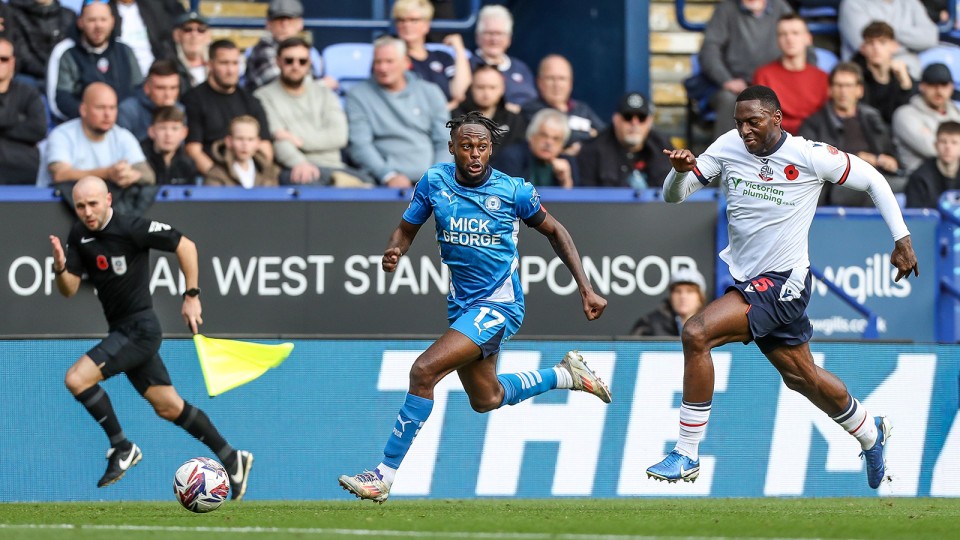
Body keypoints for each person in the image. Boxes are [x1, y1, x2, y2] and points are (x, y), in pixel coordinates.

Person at [647, 85, 919, 490]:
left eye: (753, 121)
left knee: (696, 332)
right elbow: (674, 197)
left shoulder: (810, 156)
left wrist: (902, 240)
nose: (744, 130)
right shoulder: (726, 147)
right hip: (751, 280)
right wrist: (679, 172)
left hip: (783, 282)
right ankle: (869, 433)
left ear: (777, 118)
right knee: (802, 377)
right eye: (738, 122)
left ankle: (686, 452)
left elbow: (875, 180)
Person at [337, 111, 610, 503]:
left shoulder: (515, 191)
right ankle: (565, 375)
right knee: (487, 399)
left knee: (423, 371)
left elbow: (557, 232)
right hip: (463, 306)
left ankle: (383, 475)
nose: (475, 153)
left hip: (500, 305)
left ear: (491, 149)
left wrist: (585, 288)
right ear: (452, 148)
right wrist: (396, 248)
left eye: (482, 146)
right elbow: (406, 229)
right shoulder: (434, 182)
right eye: (466, 146)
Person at [48, 176, 253, 498]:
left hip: (140, 329)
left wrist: (192, 295)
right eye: (80, 206)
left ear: (109, 200)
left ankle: (122, 447)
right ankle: (232, 458)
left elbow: (186, 245)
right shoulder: (79, 233)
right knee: (169, 407)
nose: (87, 212)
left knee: (76, 379)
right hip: (123, 331)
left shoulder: (132, 227)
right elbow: (69, 290)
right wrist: (60, 268)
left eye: (93, 204)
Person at [255, 37, 368, 186]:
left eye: (302, 61)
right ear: (278, 62)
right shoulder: (263, 96)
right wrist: (299, 162)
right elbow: (278, 142)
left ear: (309, 64)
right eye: (289, 61)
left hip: (336, 168)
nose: (296, 66)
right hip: (296, 168)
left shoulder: (325, 93)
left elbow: (339, 136)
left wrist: (297, 139)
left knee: (372, 188)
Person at [344, 35, 449, 187]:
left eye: (389, 61)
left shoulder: (430, 92)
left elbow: (445, 142)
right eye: (378, 62)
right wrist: (387, 175)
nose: (382, 68)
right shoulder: (358, 95)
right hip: (384, 183)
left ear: (406, 63)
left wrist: (436, 177)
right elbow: (360, 144)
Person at [800, 62, 903, 204]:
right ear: (830, 90)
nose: (843, 91)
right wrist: (854, 161)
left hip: (876, 176)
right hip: (838, 185)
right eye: (838, 85)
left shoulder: (871, 117)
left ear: (859, 90)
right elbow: (808, 163)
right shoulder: (814, 123)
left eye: (848, 86)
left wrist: (891, 161)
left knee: (911, 183)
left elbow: (890, 152)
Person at [47, 82, 155, 216]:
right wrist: (108, 173)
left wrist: (130, 175)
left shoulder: (123, 136)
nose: (107, 114)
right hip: (58, 213)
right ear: (83, 110)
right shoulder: (62, 134)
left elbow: (148, 175)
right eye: (100, 108)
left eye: (112, 108)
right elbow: (60, 175)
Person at [698, 0, 793, 139]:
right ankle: (725, 157)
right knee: (730, 100)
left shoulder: (781, 7)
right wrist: (726, 80)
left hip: (776, 83)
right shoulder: (725, 10)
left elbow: (803, 44)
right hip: (736, 86)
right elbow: (709, 52)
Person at [182, 39, 273, 177]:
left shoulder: (251, 101)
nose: (230, 70)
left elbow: (265, 147)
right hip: (210, 179)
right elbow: (193, 150)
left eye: (235, 63)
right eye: (224, 63)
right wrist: (221, 179)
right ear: (210, 64)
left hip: (248, 177)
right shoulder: (193, 99)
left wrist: (250, 178)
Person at [47, 0, 142, 120]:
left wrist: (121, 116)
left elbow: (139, 89)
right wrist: (93, 118)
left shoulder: (125, 50)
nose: (98, 26)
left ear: (112, 21)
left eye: (103, 20)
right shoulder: (65, 51)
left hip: (125, 124)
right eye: (92, 20)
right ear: (80, 22)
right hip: (80, 126)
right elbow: (60, 100)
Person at [577, 91, 673, 189]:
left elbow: (676, 193)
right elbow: (587, 198)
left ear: (649, 122)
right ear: (616, 120)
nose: (634, 123)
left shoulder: (663, 148)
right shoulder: (593, 150)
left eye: (641, 118)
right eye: (628, 117)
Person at [751, 14, 828, 134]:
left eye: (795, 33)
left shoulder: (822, 77)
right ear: (777, 40)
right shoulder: (763, 75)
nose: (789, 39)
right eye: (783, 34)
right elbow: (761, 119)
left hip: (815, 139)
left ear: (808, 39)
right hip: (776, 140)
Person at [392, 0, 471, 110]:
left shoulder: (442, 57)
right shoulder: (391, 59)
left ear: (426, 25)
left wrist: (459, 48)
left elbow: (460, 93)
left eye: (413, 20)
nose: (406, 25)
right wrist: (444, 109)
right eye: (401, 20)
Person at [520, 54, 605, 151]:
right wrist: (588, 134)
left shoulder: (581, 108)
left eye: (562, 79)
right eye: (550, 78)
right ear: (539, 82)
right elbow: (557, 135)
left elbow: (605, 136)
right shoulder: (531, 109)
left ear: (570, 83)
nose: (557, 85)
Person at [244, 0, 327, 93]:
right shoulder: (262, 49)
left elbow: (311, 79)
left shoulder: (301, 49)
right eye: (279, 19)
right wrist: (322, 85)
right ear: (268, 24)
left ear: (300, 24)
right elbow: (283, 87)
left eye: (290, 19)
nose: (285, 24)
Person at [892, 63, 960, 174]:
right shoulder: (905, 114)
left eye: (944, 85)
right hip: (918, 181)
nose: (939, 91)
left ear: (951, 87)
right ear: (922, 86)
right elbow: (935, 150)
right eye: (933, 85)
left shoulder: (955, 111)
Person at [838, 0, 938, 76]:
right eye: (883, 41)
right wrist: (910, 44)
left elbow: (931, 37)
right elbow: (867, 47)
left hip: (909, 73)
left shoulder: (911, 2)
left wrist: (890, 33)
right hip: (866, 76)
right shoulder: (852, 3)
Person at [469, 4, 537, 110]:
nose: (494, 39)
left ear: (509, 38)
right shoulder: (468, 65)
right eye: (489, 33)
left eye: (500, 34)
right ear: (478, 36)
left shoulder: (521, 68)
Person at [0, 37, 48, 184]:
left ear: (12, 62)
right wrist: (18, 120)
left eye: (3, 59)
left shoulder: (28, 92)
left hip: (22, 168)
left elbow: (38, 129)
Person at [493, 108, 578, 188]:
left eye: (556, 139)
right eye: (544, 135)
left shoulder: (567, 162)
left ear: (562, 144)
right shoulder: (512, 157)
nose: (549, 142)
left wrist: (565, 181)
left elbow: (576, 201)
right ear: (531, 136)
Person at [852, 22, 915, 126]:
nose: (876, 48)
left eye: (882, 42)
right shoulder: (855, 78)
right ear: (863, 48)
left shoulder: (901, 75)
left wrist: (906, 84)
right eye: (870, 43)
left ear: (894, 46)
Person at [452, 64, 527, 148]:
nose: (486, 93)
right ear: (471, 88)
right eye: (480, 87)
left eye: (492, 87)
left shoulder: (514, 120)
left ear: (502, 89)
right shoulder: (454, 118)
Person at [7, 0, 77, 90]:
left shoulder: (69, 15)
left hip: (63, 76)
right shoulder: (12, 12)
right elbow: (23, 56)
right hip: (30, 77)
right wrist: (51, 73)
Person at [204, 115, 279, 187]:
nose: (245, 144)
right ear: (229, 141)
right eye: (240, 139)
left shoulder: (269, 171)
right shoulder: (216, 173)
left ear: (257, 142)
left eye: (250, 139)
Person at [118, 58, 182, 142]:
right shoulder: (128, 111)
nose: (168, 94)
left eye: (173, 88)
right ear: (147, 88)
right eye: (161, 88)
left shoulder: (179, 110)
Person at [630, 267, 707, 337]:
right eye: (677, 291)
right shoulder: (649, 325)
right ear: (671, 297)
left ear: (700, 298)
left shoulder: (711, 325)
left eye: (690, 291)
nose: (683, 296)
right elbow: (631, 350)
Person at [905, 121, 960, 208]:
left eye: (954, 143)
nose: (948, 147)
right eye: (943, 142)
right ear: (936, 145)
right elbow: (915, 216)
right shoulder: (919, 177)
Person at [142, 105, 197, 185]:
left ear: (184, 133)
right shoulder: (140, 159)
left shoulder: (188, 164)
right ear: (151, 131)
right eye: (162, 128)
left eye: (174, 129)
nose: (168, 134)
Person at [172, 11, 210, 91]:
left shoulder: (216, 68)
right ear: (177, 35)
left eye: (201, 30)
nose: (194, 35)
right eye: (188, 29)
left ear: (208, 36)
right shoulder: (170, 68)